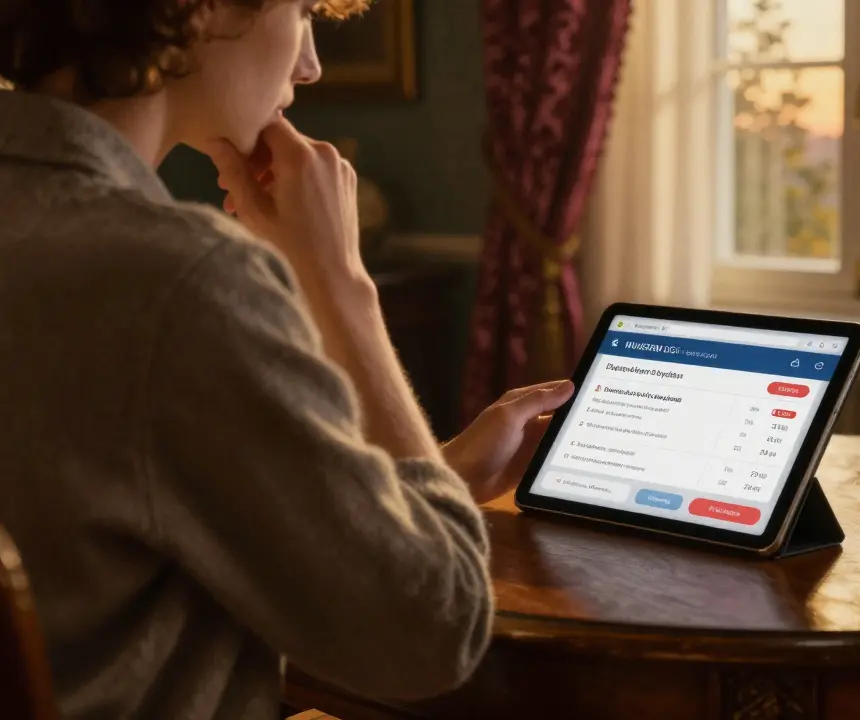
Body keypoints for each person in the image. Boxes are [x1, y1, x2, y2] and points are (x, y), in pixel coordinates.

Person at [0, 1, 573, 718]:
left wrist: (439, 483)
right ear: (200, 11)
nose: (311, 64)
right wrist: (340, 288)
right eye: (302, 12)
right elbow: (433, 630)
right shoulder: (181, 282)